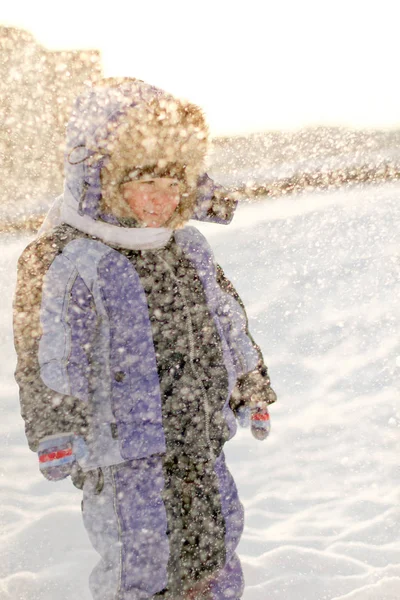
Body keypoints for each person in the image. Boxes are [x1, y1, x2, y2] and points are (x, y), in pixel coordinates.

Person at [13, 78, 277, 600]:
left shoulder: (187, 247)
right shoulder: (69, 258)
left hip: (199, 437)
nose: (162, 199)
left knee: (216, 541)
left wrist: (250, 385)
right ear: (105, 181)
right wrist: (54, 426)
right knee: (141, 558)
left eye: (174, 183)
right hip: (122, 450)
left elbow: (226, 320)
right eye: (144, 183)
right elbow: (48, 350)